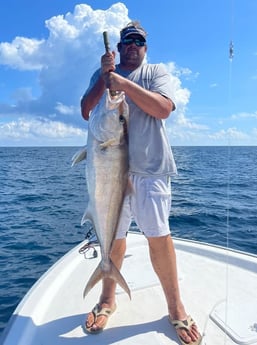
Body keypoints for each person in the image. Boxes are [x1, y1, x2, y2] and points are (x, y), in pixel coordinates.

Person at [80, 21, 202, 345]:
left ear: (145, 48)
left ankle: (175, 307)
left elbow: (163, 109)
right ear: (118, 48)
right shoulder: (101, 75)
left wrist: (122, 83)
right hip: (110, 170)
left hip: (151, 171)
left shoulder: (156, 73)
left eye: (139, 41)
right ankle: (108, 298)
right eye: (127, 41)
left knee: (159, 238)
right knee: (114, 237)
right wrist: (105, 78)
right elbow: (85, 109)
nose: (133, 45)